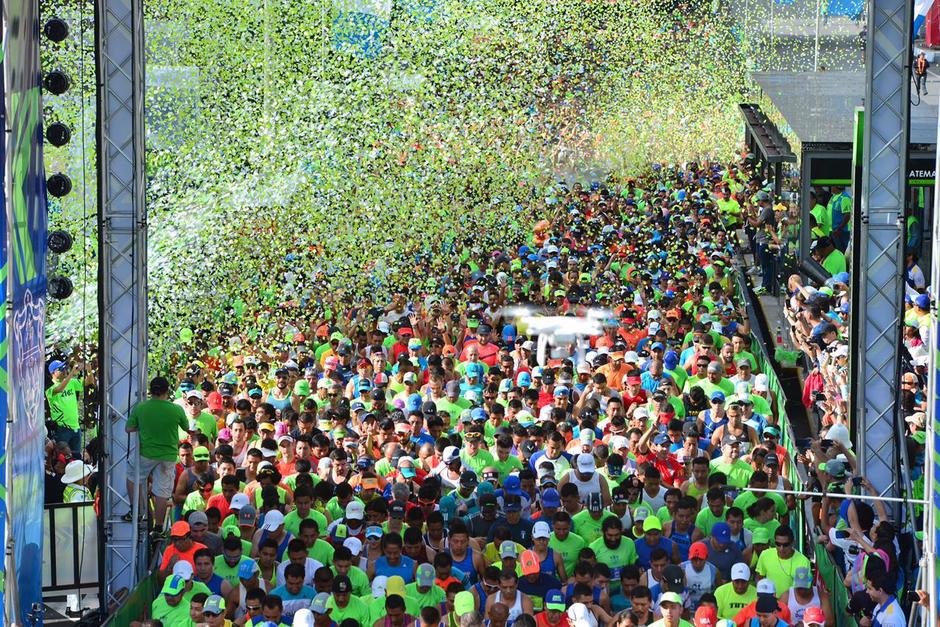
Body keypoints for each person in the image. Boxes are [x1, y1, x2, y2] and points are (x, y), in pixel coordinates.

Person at [126, 376, 189, 526]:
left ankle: (136, 511)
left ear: (151, 391)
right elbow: (186, 427)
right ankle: (158, 527)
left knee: (132, 476)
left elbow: (128, 429)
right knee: (162, 491)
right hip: (168, 456)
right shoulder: (176, 409)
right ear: (167, 391)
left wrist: (143, 426)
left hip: (146, 454)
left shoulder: (141, 407)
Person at [46, 359, 86, 454]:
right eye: (61, 369)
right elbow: (59, 389)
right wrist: (72, 373)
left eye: (65, 368)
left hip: (75, 426)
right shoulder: (50, 388)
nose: (64, 370)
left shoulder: (71, 382)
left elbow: (85, 385)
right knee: (62, 457)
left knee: (76, 457)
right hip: (62, 428)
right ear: (54, 373)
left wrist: (87, 371)